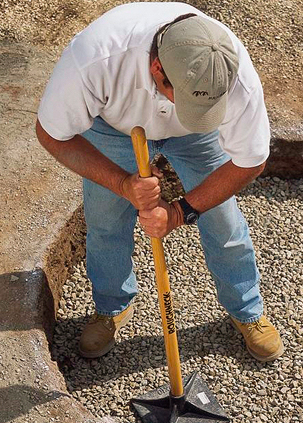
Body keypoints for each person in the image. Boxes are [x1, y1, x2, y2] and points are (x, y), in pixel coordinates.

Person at [35, 2, 284, 362]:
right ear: (157, 69)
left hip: (197, 138)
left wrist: (181, 211)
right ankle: (111, 307)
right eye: (183, 99)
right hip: (116, 127)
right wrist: (122, 184)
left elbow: (250, 162)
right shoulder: (96, 57)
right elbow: (50, 133)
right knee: (105, 222)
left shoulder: (231, 72)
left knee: (224, 223)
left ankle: (247, 310)